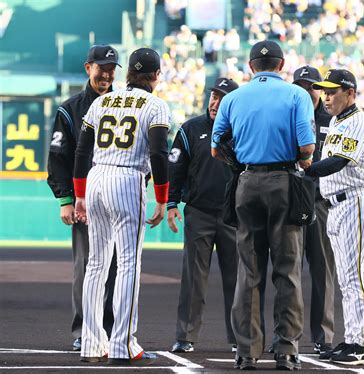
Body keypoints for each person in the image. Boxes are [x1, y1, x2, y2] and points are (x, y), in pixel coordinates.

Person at [211, 40, 315, 371]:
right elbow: (308, 147)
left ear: (251, 66)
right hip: (284, 181)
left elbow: (216, 148)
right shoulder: (297, 95)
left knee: (248, 271)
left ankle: (246, 352)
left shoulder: (232, 97)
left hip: (247, 182)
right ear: (281, 65)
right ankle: (285, 350)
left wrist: (242, 161)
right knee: (288, 271)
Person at [73, 47, 170, 365]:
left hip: (96, 176)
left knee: (96, 265)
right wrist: (162, 195)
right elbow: (157, 154)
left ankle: (90, 343)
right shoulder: (155, 106)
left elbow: (82, 148)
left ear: (128, 73)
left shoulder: (102, 102)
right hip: (127, 180)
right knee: (128, 263)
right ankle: (122, 345)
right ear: (155, 76)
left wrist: (79, 193)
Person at [47, 44, 119, 351]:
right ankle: (83, 330)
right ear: (87, 68)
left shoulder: (125, 104)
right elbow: (58, 157)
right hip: (84, 199)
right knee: (87, 266)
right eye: (101, 67)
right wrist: (65, 199)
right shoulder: (70, 108)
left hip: (118, 197)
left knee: (118, 266)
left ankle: (112, 331)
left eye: (112, 68)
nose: (106, 73)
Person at [306, 69, 364, 366]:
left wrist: (305, 168)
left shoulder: (358, 123)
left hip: (355, 202)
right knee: (346, 280)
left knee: (356, 276)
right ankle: (351, 340)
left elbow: (335, 163)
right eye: (325, 91)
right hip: (336, 206)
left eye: (333, 91)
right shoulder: (337, 121)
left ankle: (362, 345)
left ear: (351, 94)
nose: (327, 96)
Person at [168, 77, 240, 354]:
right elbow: (175, 168)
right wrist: (172, 203)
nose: (215, 102)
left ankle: (238, 339)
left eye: (222, 98)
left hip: (233, 215)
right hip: (198, 213)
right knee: (193, 278)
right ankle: (185, 337)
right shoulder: (190, 128)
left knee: (237, 279)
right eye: (213, 96)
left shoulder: (242, 129)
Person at [292, 65, 336, 358]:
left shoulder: (333, 120)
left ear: (319, 89)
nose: (307, 91)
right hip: (293, 197)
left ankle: (323, 336)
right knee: (288, 270)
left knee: (322, 271)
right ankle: (286, 334)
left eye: (312, 86)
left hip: (320, 199)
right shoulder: (290, 114)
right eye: (302, 86)